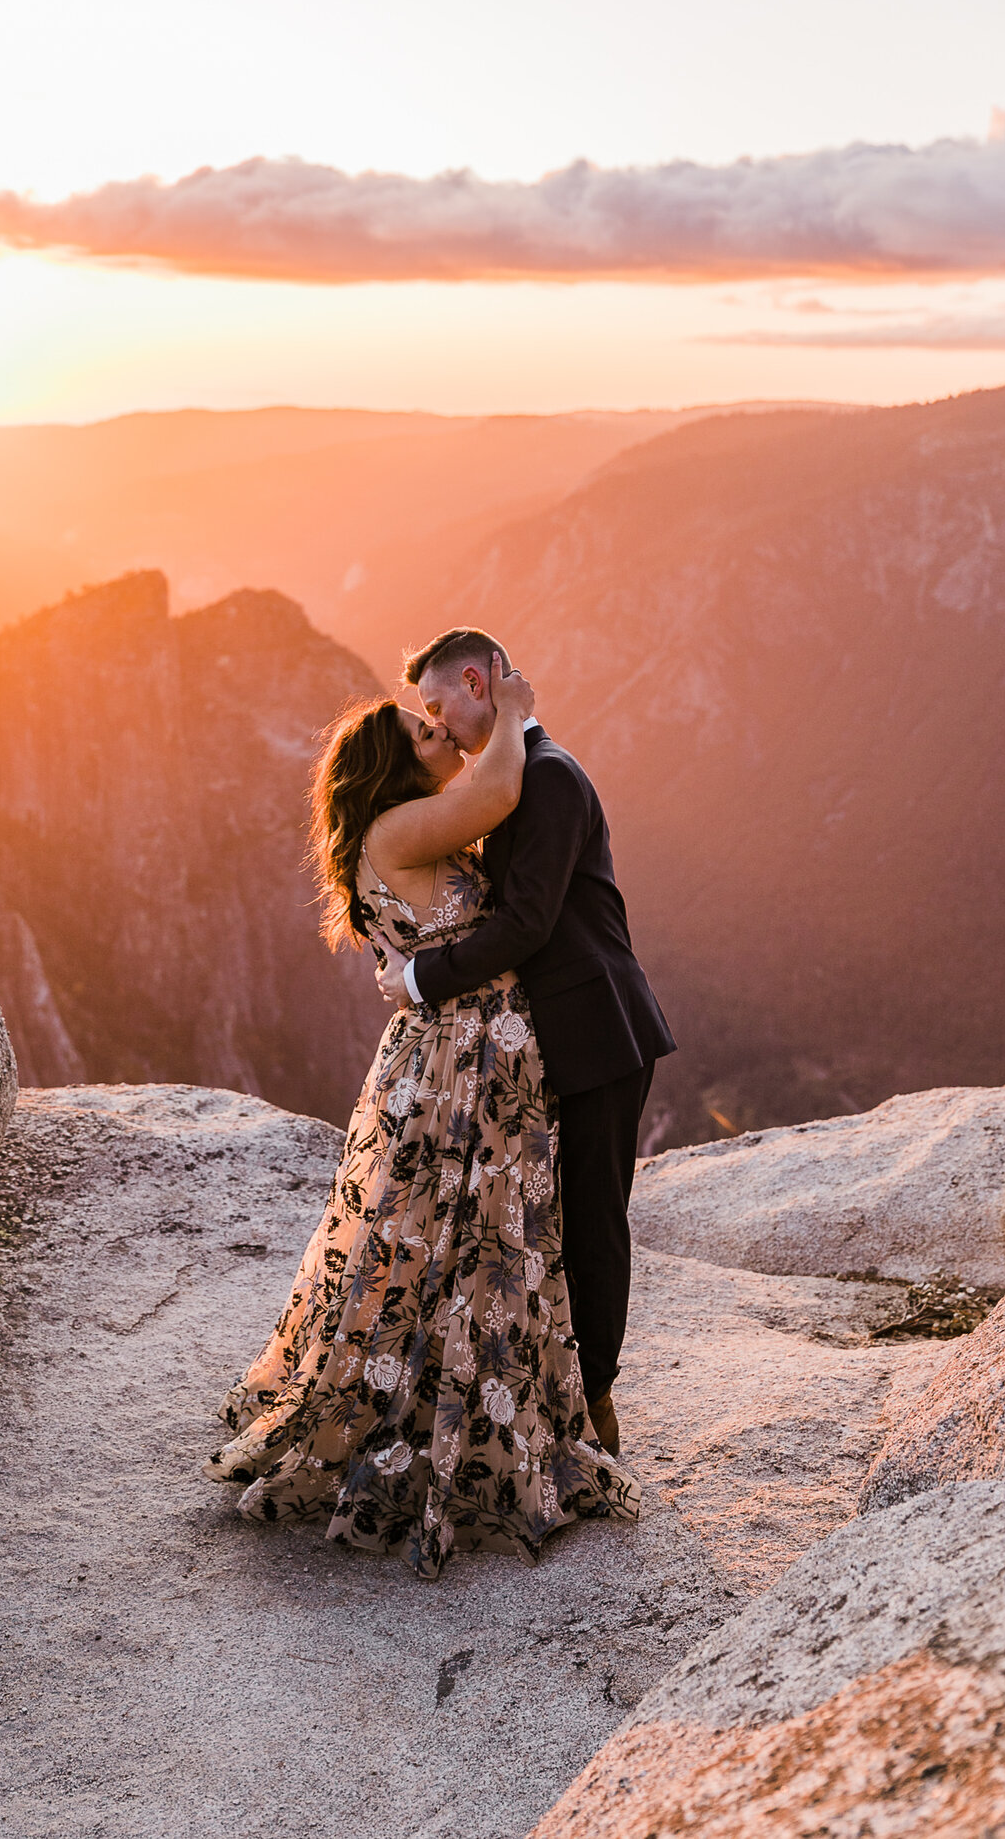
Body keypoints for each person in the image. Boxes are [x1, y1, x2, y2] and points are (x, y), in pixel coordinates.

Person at [207, 664, 639, 1578]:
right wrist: (513, 708)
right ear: (390, 769)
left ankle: (454, 1404)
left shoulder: (395, 830)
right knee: (471, 1237)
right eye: (422, 731)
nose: (439, 734)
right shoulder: (402, 825)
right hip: (464, 1062)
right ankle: (455, 1427)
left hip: (463, 1059)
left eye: (439, 719)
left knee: (446, 1239)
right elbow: (501, 784)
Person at [376, 629, 676, 1463]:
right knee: (558, 1220)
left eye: (438, 705)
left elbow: (527, 923)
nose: (435, 722)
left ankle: (600, 1403)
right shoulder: (512, 775)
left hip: (600, 1034)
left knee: (592, 1222)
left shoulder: (545, 777)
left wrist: (420, 979)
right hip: (564, 1037)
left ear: (479, 681)